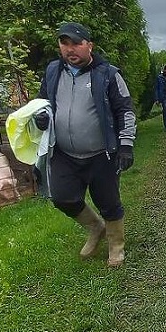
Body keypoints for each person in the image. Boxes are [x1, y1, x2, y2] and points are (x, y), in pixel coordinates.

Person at [33, 22, 136, 267]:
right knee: (62, 197)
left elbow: (125, 110)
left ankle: (116, 245)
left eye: (77, 43)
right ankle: (95, 227)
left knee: (109, 202)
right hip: (64, 152)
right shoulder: (53, 72)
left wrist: (126, 144)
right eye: (64, 43)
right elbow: (42, 103)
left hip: (102, 154)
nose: (71, 49)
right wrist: (40, 118)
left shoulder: (108, 74)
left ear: (89, 45)